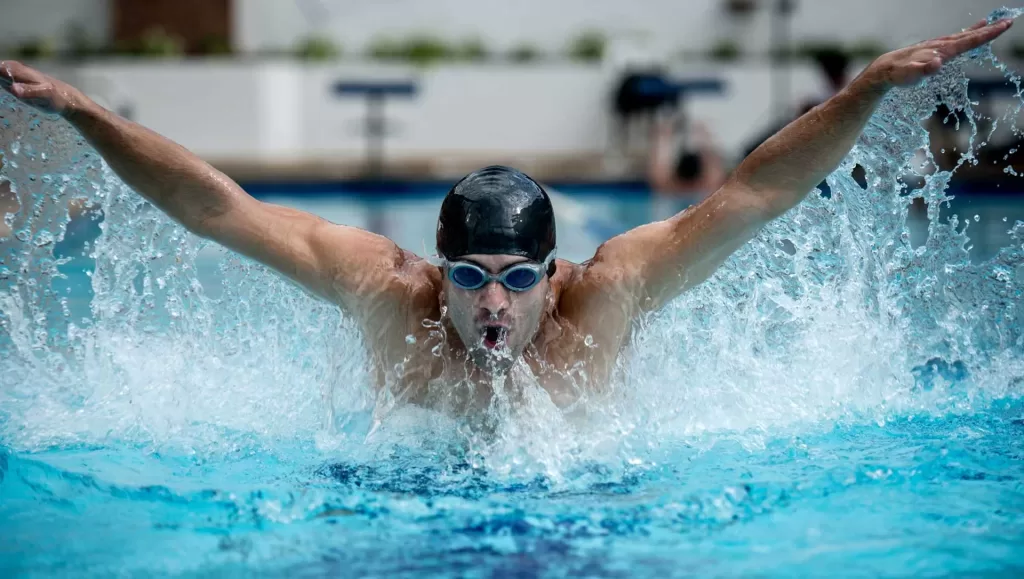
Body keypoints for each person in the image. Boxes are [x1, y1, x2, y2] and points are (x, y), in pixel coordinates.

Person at [0, 20, 1010, 416]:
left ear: (551, 275)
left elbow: (752, 194)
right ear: (434, 269)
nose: (494, 303)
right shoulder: (381, 286)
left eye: (518, 278)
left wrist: (864, 92)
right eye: (471, 277)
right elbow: (215, 206)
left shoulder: (604, 295)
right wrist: (87, 114)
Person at [647, 114, 728, 220]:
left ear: (675, 171)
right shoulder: (706, 187)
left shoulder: (667, 187)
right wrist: (705, 136)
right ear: (701, 172)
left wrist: (664, 135)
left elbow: (658, 166)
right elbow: (715, 165)